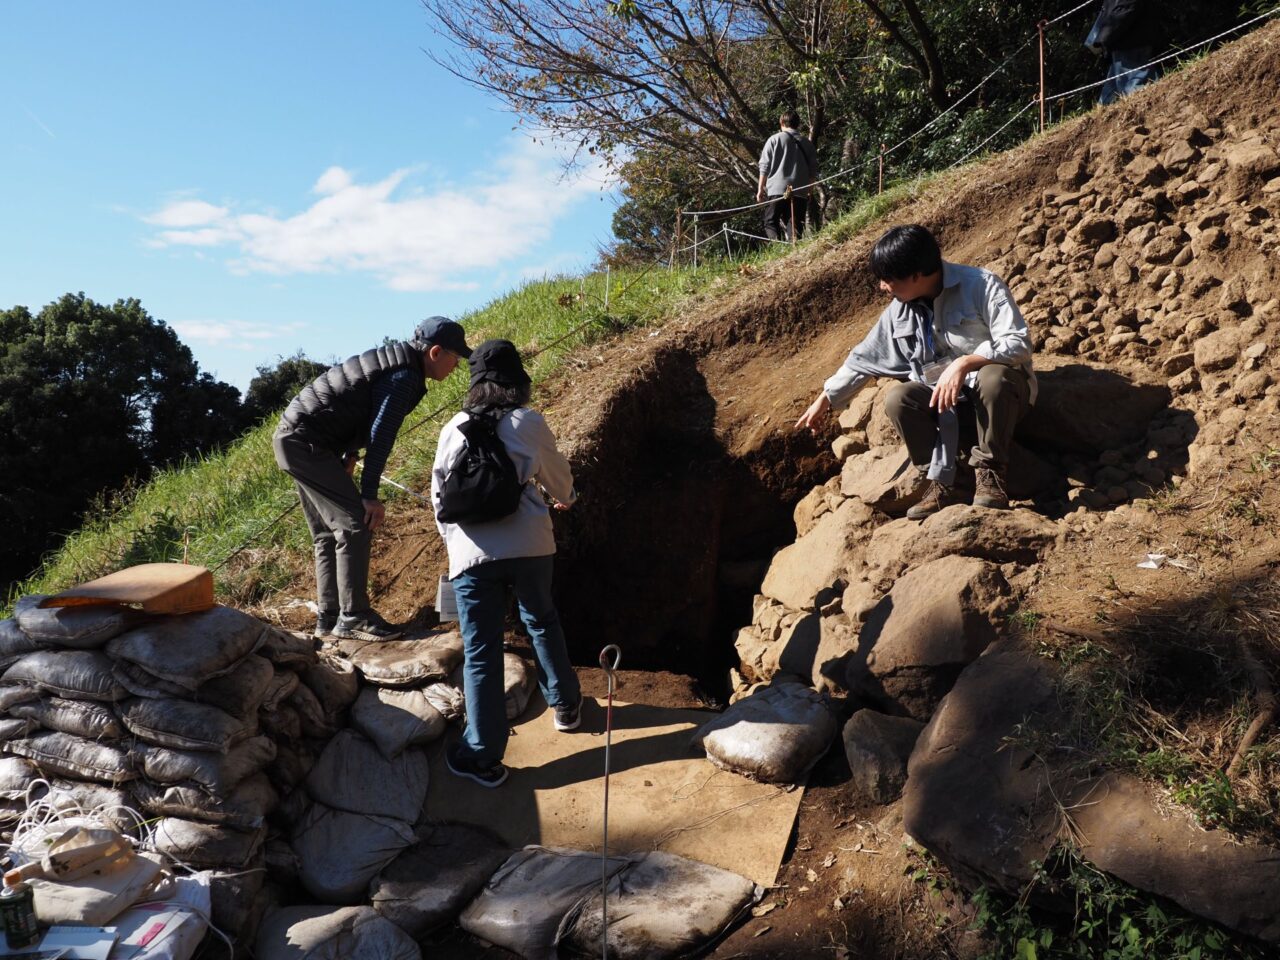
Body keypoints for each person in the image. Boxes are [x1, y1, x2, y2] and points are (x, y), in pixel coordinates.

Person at [795, 224, 1036, 519]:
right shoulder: (899, 311)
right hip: (948, 406)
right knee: (899, 398)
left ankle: (991, 472)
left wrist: (967, 361)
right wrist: (826, 399)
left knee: (993, 377)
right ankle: (947, 480)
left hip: (998, 400)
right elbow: (863, 359)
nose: (883, 287)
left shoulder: (981, 285)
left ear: (916, 276)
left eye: (888, 280)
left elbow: (1018, 343)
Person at [432, 339, 581, 788]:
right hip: (532, 546)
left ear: (476, 386)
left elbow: (441, 498)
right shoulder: (528, 421)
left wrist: (457, 545)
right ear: (518, 382)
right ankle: (566, 706)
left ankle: (482, 756)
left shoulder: (454, 427)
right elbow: (557, 476)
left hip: (471, 555)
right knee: (542, 620)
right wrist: (566, 499)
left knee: (480, 652)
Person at [273, 316, 471, 641]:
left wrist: (347, 458)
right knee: (355, 525)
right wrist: (369, 494)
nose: (456, 366)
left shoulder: (392, 362)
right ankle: (354, 616)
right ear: (436, 352)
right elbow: (381, 434)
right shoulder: (404, 376)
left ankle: (329, 618)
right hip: (308, 443)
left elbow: (351, 410)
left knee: (326, 533)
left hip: (297, 439)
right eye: (456, 358)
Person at [757, 110, 819, 243]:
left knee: (770, 221)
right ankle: (794, 250)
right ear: (797, 124)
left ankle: (777, 247)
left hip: (776, 189)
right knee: (795, 222)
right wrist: (809, 189)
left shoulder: (774, 139)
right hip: (800, 189)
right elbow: (813, 170)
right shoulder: (807, 143)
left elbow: (764, 166)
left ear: (781, 123)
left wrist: (760, 189)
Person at [1086, 0, 1160, 105]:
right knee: (1108, 101)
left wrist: (1103, 37)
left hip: (1131, 44)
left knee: (1136, 89)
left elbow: (1125, 8)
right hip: (1122, 45)